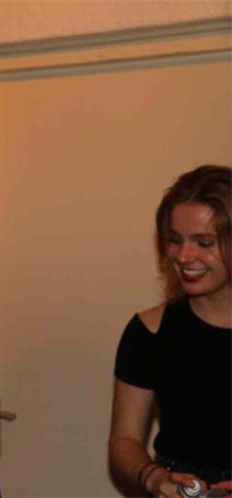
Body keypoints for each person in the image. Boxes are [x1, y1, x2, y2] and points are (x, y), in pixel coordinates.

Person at [108, 165, 231, 497]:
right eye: (175, 240)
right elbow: (124, 441)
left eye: (204, 242)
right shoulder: (149, 331)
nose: (184, 256)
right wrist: (152, 478)